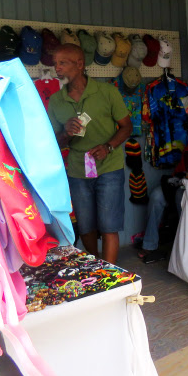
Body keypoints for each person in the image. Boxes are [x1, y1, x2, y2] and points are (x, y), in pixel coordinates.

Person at [48, 44, 133, 264]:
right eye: (55, 63)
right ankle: (96, 268)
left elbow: (126, 127)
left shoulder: (107, 92)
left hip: (109, 167)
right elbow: (54, 142)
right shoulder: (56, 101)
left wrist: (108, 147)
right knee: (86, 226)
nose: (57, 68)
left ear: (79, 64)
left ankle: (110, 273)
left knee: (109, 225)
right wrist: (66, 133)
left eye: (62, 63)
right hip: (78, 170)